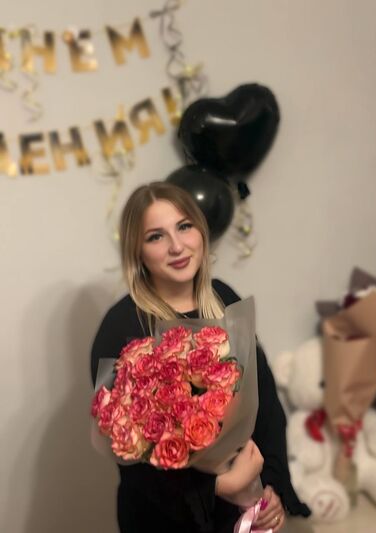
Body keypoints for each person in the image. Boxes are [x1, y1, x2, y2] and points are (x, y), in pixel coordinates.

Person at [91, 181, 310, 533]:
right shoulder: (121, 327)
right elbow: (130, 456)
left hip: (240, 512)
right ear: (137, 251)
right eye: (156, 236)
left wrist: (271, 485)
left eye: (184, 226)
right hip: (164, 520)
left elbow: (266, 404)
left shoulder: (225, 298)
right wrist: (216, 487)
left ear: (201, 231)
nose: (177, 246)